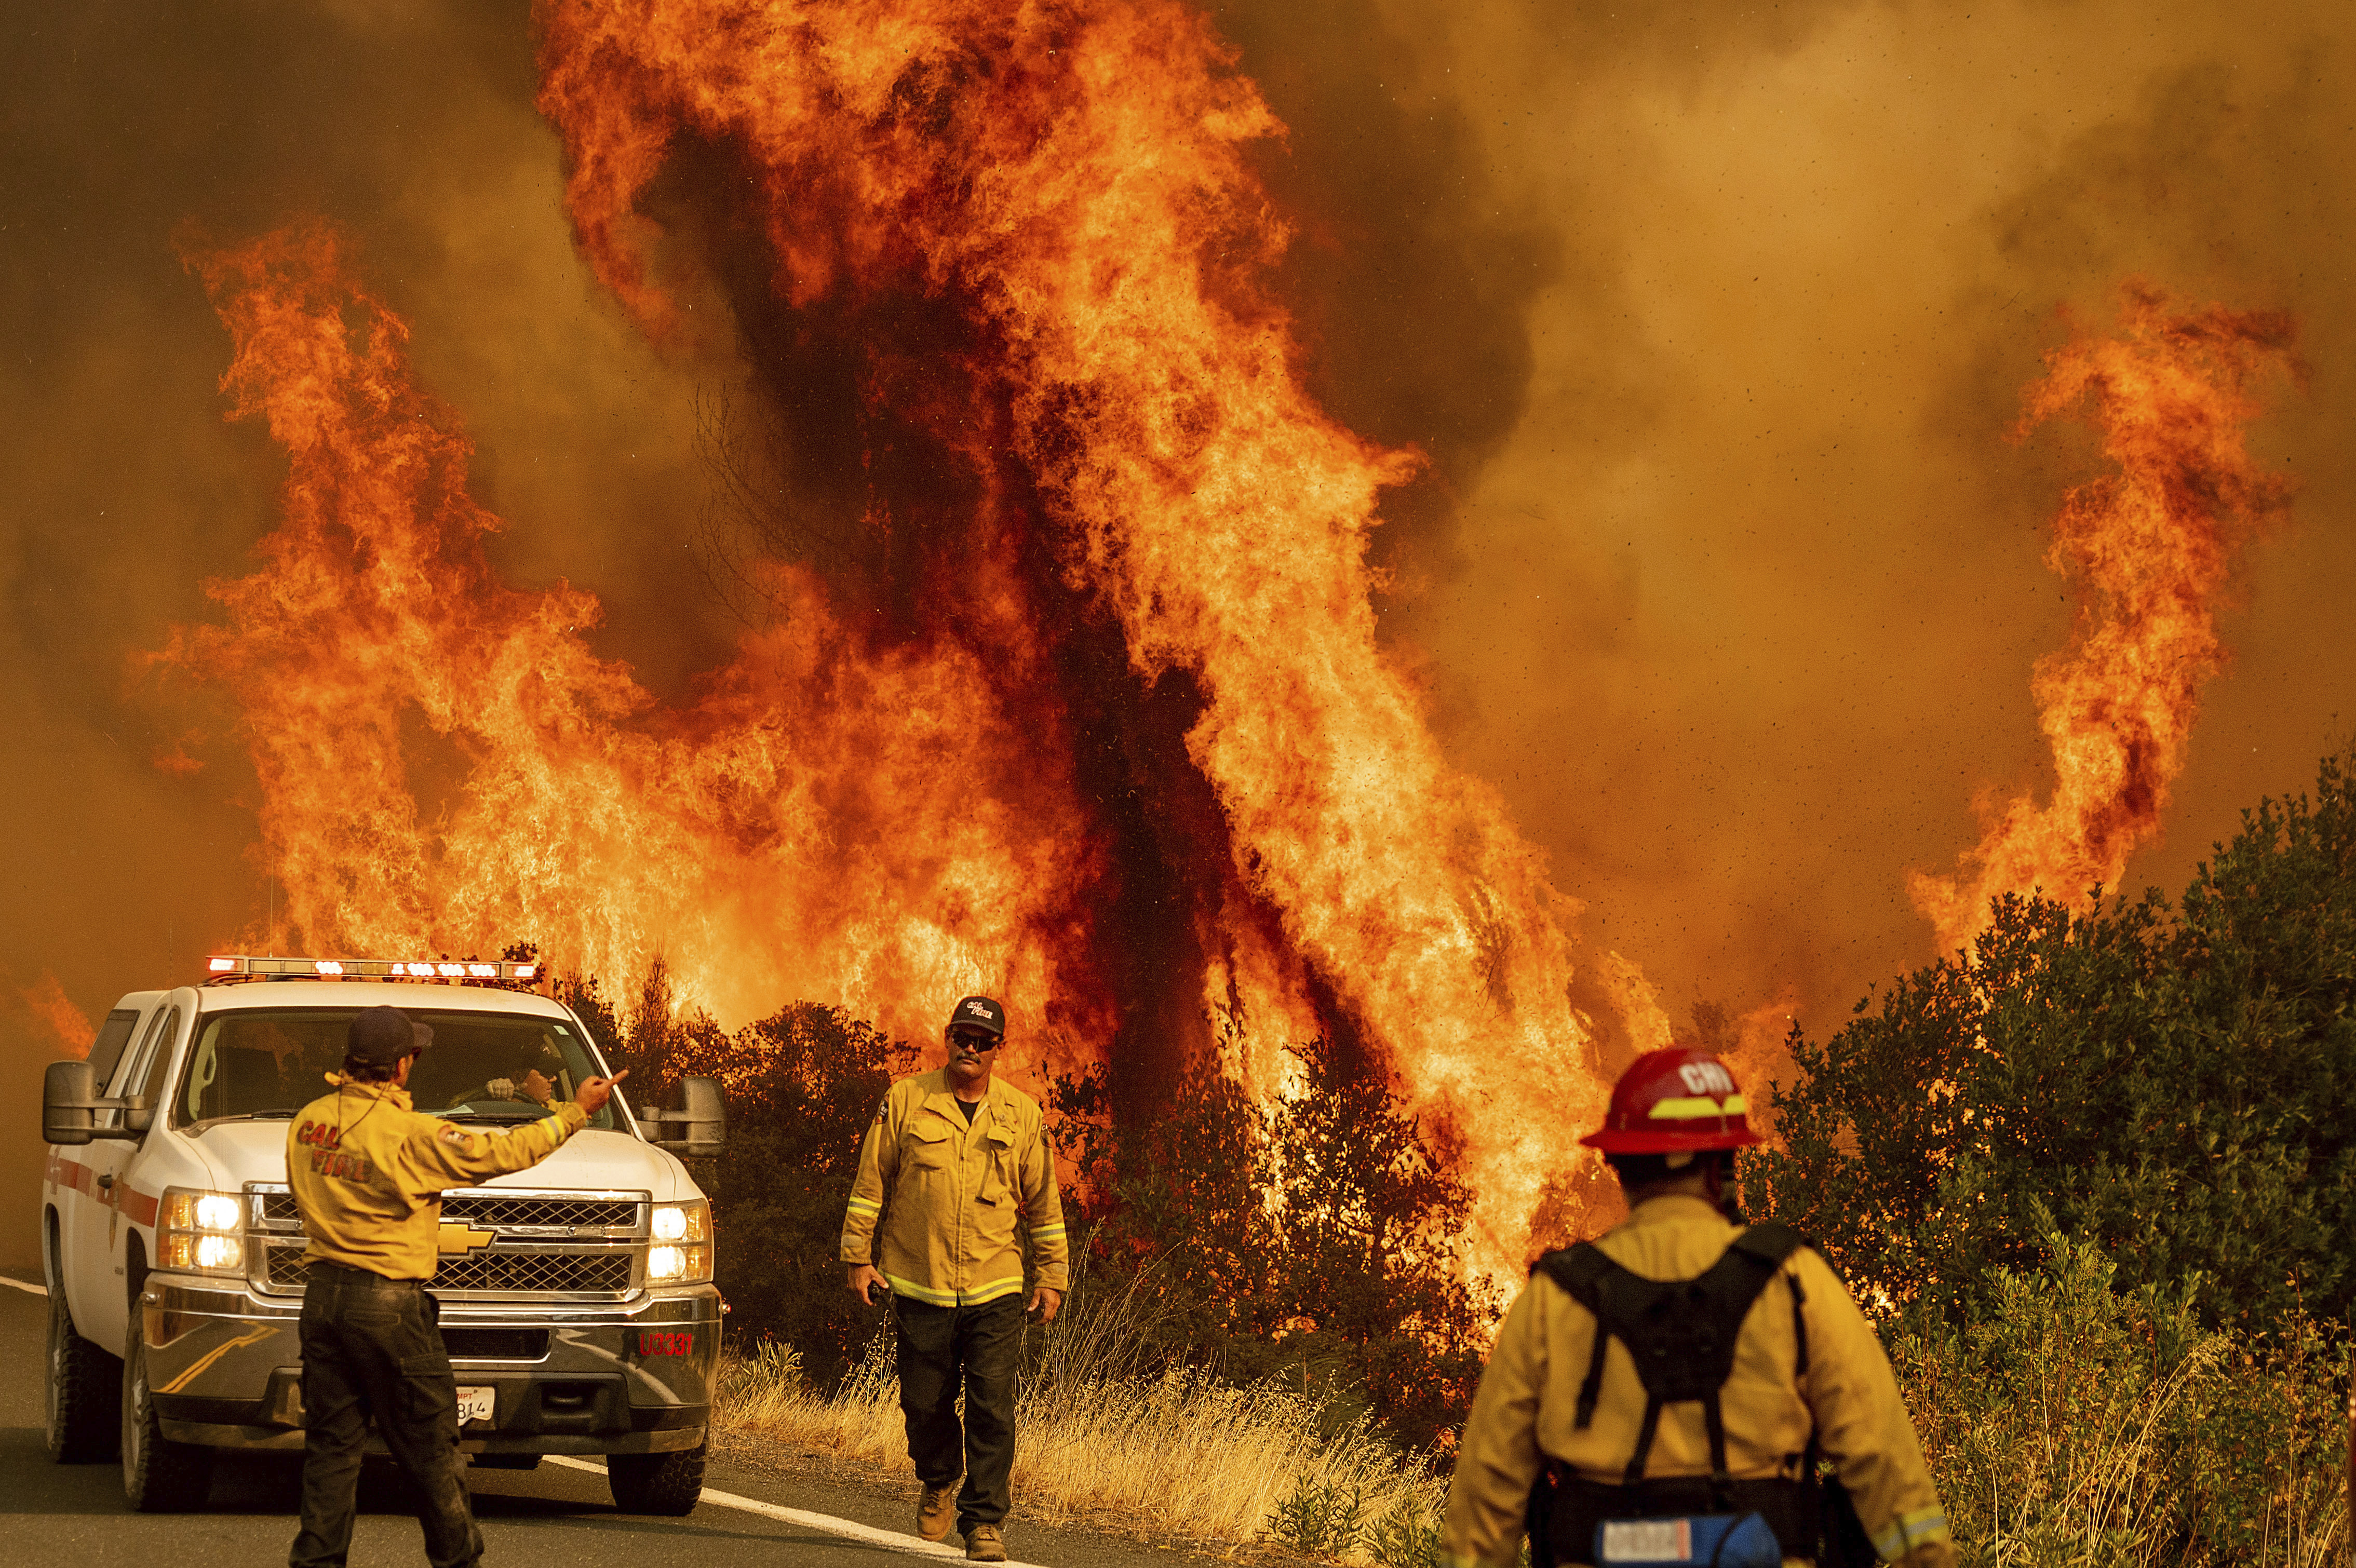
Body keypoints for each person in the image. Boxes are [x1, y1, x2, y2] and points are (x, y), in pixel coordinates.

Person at [1441, 1045, 1956, 1568]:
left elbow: (1485, 1502)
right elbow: (1883, 1460)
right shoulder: (1793, 1280)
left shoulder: (1553, 1298)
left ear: (1620, 1163)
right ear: (1721, 1163)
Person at [285, 1005, 627, 1568]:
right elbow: (502, 1153)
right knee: (432, 1450)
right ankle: (457, 1560)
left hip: (322, 1301)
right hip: (391, 1309)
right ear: (399, 1065)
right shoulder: (411, 1134)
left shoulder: (307, 1123)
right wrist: (574, 1111)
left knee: (331, 1451)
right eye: (412, 1056)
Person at [840, 995, 1069, 1564]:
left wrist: (1052, 1277)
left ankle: (984, 1520)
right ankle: (938, 1475)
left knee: (993, 1405)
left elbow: (1043, 1205)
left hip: (996, 1284)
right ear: (947, 1037)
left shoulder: (1022, 1114)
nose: (971, 1047)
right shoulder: (907, 1101)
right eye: (962, 1036)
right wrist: (856, 1257)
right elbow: (871, 1183)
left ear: (998, 1048)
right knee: (923, 1403)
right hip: (920, 1281)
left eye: (982, 1039)